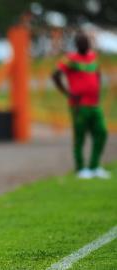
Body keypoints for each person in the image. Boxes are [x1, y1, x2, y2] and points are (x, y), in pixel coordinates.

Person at [52, 31, 110, 180]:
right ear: (77, 45)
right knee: (80, 136)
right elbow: (56, 75)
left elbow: (97, 73)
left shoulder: (93, 57)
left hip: (94, 104)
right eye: (82, 42)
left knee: (101, 132)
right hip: (79, 105)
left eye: (87, 42)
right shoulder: (70, 59)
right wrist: (67, 93)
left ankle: (94, 166)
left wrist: (97, 88)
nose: (85, 45)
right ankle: (80, 168)